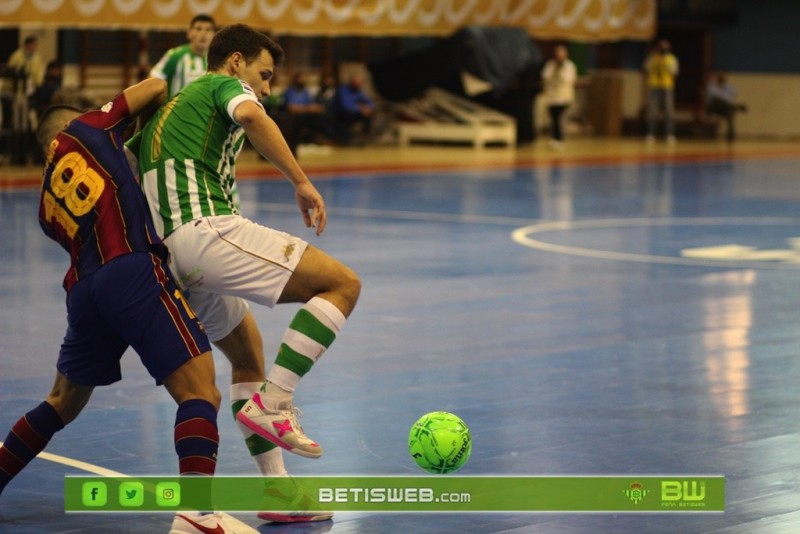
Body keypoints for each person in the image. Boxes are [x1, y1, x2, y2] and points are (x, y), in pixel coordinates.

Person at [0, 78, 258, 533]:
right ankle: (197, 515)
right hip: (131, 271)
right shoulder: (89, 128)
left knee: (60, 401)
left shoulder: (44, 205)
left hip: (84, 292)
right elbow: (155, 86)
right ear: (75, 122)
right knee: (200, 391)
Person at [137, 24, 361, 522]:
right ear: (235, 61)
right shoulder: (222, 84)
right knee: (342, 284)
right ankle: (275, 404)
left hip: (171, 257)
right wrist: (301, 181)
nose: (266, 87)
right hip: (207, 232)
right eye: (264, 74)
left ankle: (279, 493)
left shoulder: (159, 118)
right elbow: (252, 116)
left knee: (247, 358)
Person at [150, 13, 216, 98]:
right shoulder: (174, 55)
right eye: (198, 29)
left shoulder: (217, 60)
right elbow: (153, 79)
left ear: (214, 35)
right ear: (189, 33)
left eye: (208, 30)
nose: (203, 33)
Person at [643, 39, 679, 144]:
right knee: (652, 111)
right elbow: (646, 68)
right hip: (654, 86)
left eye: (665, 47)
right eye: (661, 47)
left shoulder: (671, 59)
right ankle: (651, 134)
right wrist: (655, 58)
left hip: (667, 86)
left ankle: (669, 134)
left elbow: (675, 71)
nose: (663, 49)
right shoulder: (652, 57)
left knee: (669, 111)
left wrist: (665, 62)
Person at [541, 45, 577, 150]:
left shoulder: (569, 66)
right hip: (551, 97)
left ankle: (560, 139)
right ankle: (554, 138)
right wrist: (555, 68)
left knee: (559, 118)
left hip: (563, 97)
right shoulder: (550, 65)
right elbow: (545, 77)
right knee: (553, 119)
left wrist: (561, 69)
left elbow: (568, 79)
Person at [333, 72, 375, 144]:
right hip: (342, 114)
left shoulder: (358, 91)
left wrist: (368, 108)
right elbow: (346, 106)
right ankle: (349, 137)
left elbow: (369, 102)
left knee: (370, 114)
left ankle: (364, 136)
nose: (359, 85)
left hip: (356, 113)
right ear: (352, 82)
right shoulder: (343, 90)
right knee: (352, 113)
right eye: (357, 82)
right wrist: (361, 110)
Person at [706, 71, 747, 142]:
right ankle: (736, 107)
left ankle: (730, 136)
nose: (722, 77)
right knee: (721, 102)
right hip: (714, 107)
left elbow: (733, 98)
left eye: (724, 76)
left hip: (725, 109)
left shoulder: (730, 87)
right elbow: (713, 98)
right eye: (721, 76)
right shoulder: (712, 86)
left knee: (730, 113)